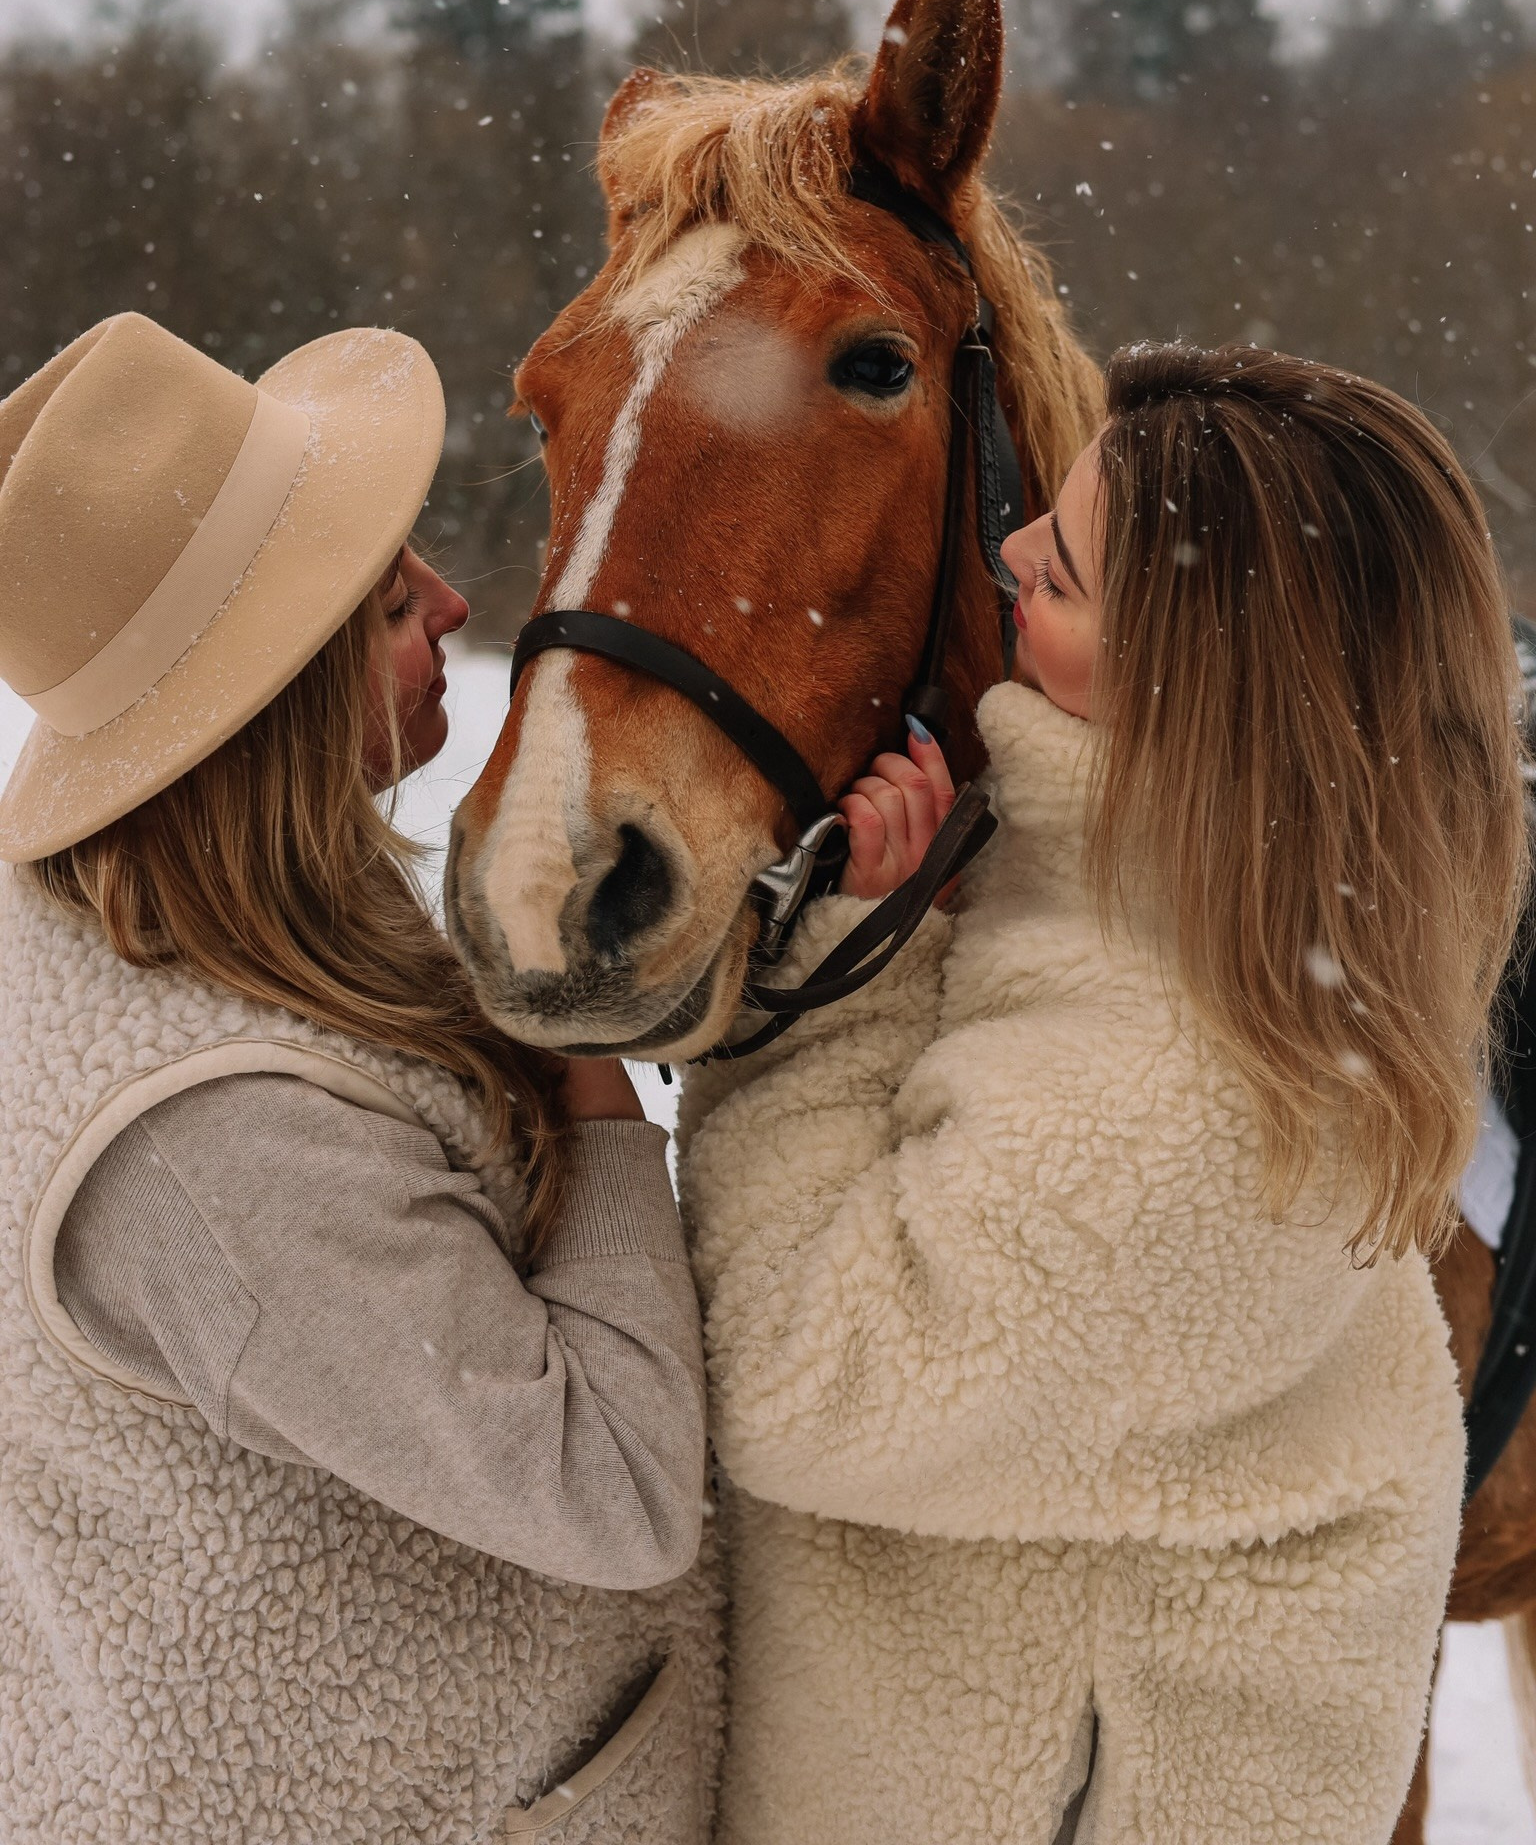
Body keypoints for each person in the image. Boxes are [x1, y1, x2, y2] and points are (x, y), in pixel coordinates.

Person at [679, 343, 1529, 1845]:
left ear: (1186, 681)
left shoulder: (1182, 1092)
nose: (1004, 555)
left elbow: (805, 1384)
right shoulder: (1216, 928)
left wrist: (821, 1007)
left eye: (1059, 577)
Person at [0, 313, 721, 1844]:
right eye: (397, 604)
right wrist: (591, 1100)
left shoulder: (200, 894)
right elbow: (612, 1491)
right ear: (284, 695)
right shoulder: (217, 1153)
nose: (457, 606)